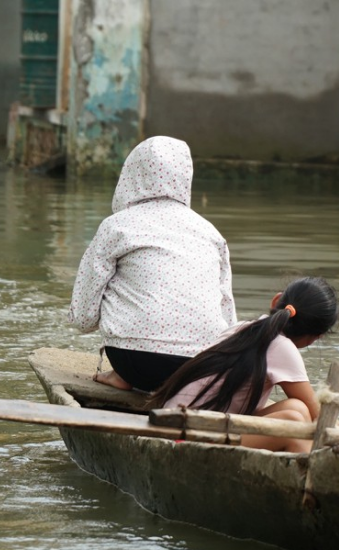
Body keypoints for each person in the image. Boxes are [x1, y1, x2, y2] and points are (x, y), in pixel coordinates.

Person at [68, 136, 237, 392]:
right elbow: (227, 314)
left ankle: (124, 376)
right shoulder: (211, 233)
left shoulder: (117, 226)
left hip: (135, 363)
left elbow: (83, 317)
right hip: (200, 368)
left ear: (131, 175)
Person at [149, 277, 339, 453]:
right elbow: (322, 418)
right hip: (184, 440)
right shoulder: (282, 347)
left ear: (276, 301)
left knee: (296, 407)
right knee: (294, 421)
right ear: (316, 337)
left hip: (174, 426)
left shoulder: (244, 327)